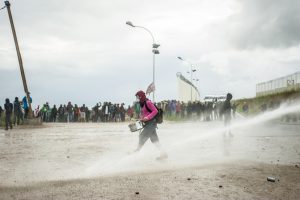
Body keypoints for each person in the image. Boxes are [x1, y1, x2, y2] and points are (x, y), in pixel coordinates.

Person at [133, 90, 167, 160]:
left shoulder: (148, 102)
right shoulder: (142, 104)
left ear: (141, 96)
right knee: (154, 140)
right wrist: (141, 119)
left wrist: (147, 117)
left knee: (142, 136)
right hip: (148, 123)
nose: (137, 99)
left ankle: (137, 150)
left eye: (137, 97)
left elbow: (155, 111)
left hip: (151, 123)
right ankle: (163, 153)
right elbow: (145, 113)